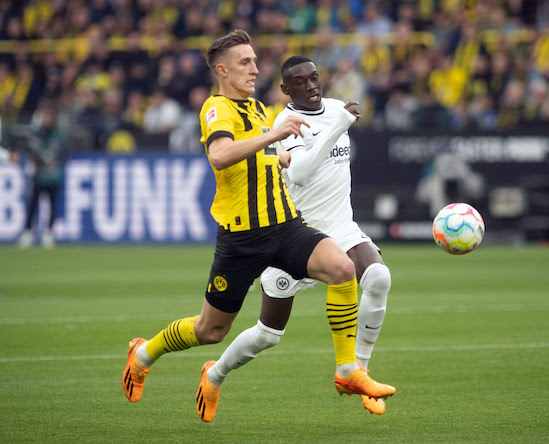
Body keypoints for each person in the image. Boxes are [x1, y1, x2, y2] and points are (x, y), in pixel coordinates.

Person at [122, 30, 395, 423]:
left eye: (254, 60)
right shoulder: (217, 109)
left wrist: (277, 157)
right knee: (210, 330)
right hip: (243, 237)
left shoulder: (254, 108)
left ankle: (348, 370)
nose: (254, 68)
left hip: (285, 225)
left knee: (343, 269)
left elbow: (262, 156)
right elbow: (219, 155)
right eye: (245, 63)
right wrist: (275, 136)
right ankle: (145, 353)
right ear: (222, 70)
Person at [260, 55, 393, 415]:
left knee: (379, 277)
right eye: (300, 82)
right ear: (286, 89)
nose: (311, 86)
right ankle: (217, 372)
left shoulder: (337, 109)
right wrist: (338, 127)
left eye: (315, 78)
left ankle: (357, 371)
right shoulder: (285, 123)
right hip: (298, 234)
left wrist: (342, 119)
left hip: (340, 228)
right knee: (266, 336)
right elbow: (300, 173)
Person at [17, 101, 65, 249]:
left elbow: (59, 153)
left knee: (51, 205)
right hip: (39, 176)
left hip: (52, 176)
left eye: (49, 116)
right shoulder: (36, 135)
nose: (46, 119)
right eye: (45, 116)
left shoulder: (58, 135)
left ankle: (49, 232)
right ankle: (28, 232)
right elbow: (31, 150)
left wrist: (46, 158)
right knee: (33, 205)